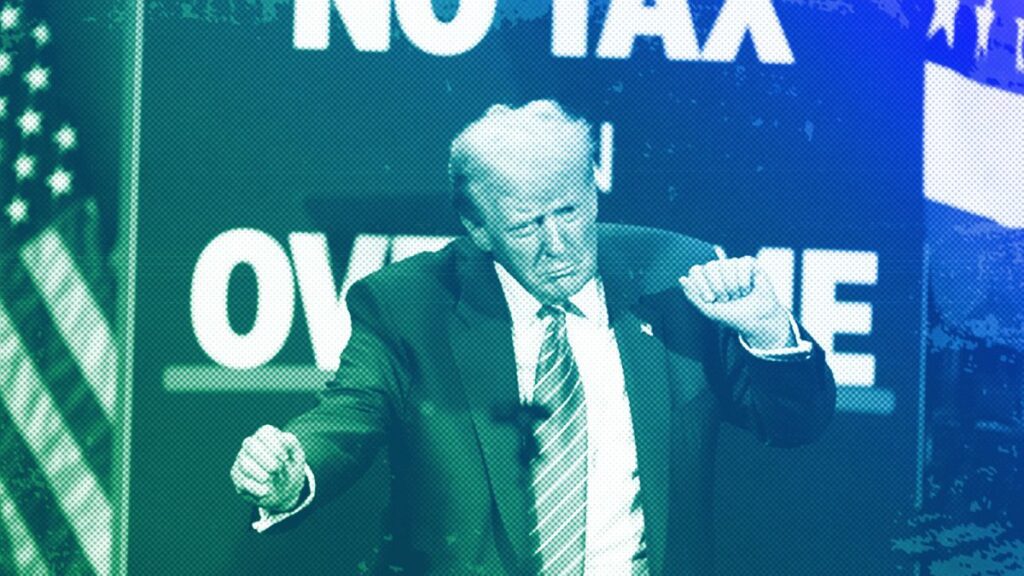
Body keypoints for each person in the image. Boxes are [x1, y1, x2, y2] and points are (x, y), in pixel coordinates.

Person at [229, 100, 836, 575]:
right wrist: (291, 474)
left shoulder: (674, 278)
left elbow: (796, 424)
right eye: (526, 225)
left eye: (570, 212)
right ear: (478, 226)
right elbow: (347, 417)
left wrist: (769, 331)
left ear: (594, 191)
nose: (559, 244)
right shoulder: (407, 305)